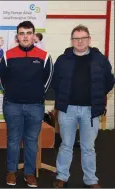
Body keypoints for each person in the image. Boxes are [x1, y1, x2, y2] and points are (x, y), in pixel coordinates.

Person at [52, 25, 114, 188]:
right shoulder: (62, 59)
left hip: (90, 110)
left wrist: (97, 96)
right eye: (76, 38)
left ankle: (91, 179)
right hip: (68, 109)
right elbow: (55, 83)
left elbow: (109, 81)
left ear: (89, 40)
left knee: (88, 147)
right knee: (66, 145)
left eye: (83, 38)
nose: (80, 41)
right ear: (71, 40)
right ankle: (62, 176)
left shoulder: (100, 59)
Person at [0, 21, 53, 188]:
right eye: (21, 33)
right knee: (13, 140)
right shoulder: (8, 55)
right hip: (12, 105)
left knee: (31, 140)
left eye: (28, 33)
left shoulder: (44, 56)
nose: (25, 36)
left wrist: (36, 95)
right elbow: (2, 80)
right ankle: (11, 171)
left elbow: (48, 79)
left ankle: (29, 174)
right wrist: (12, 94)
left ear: (33, 35)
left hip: (35, 106)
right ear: (17, 36)